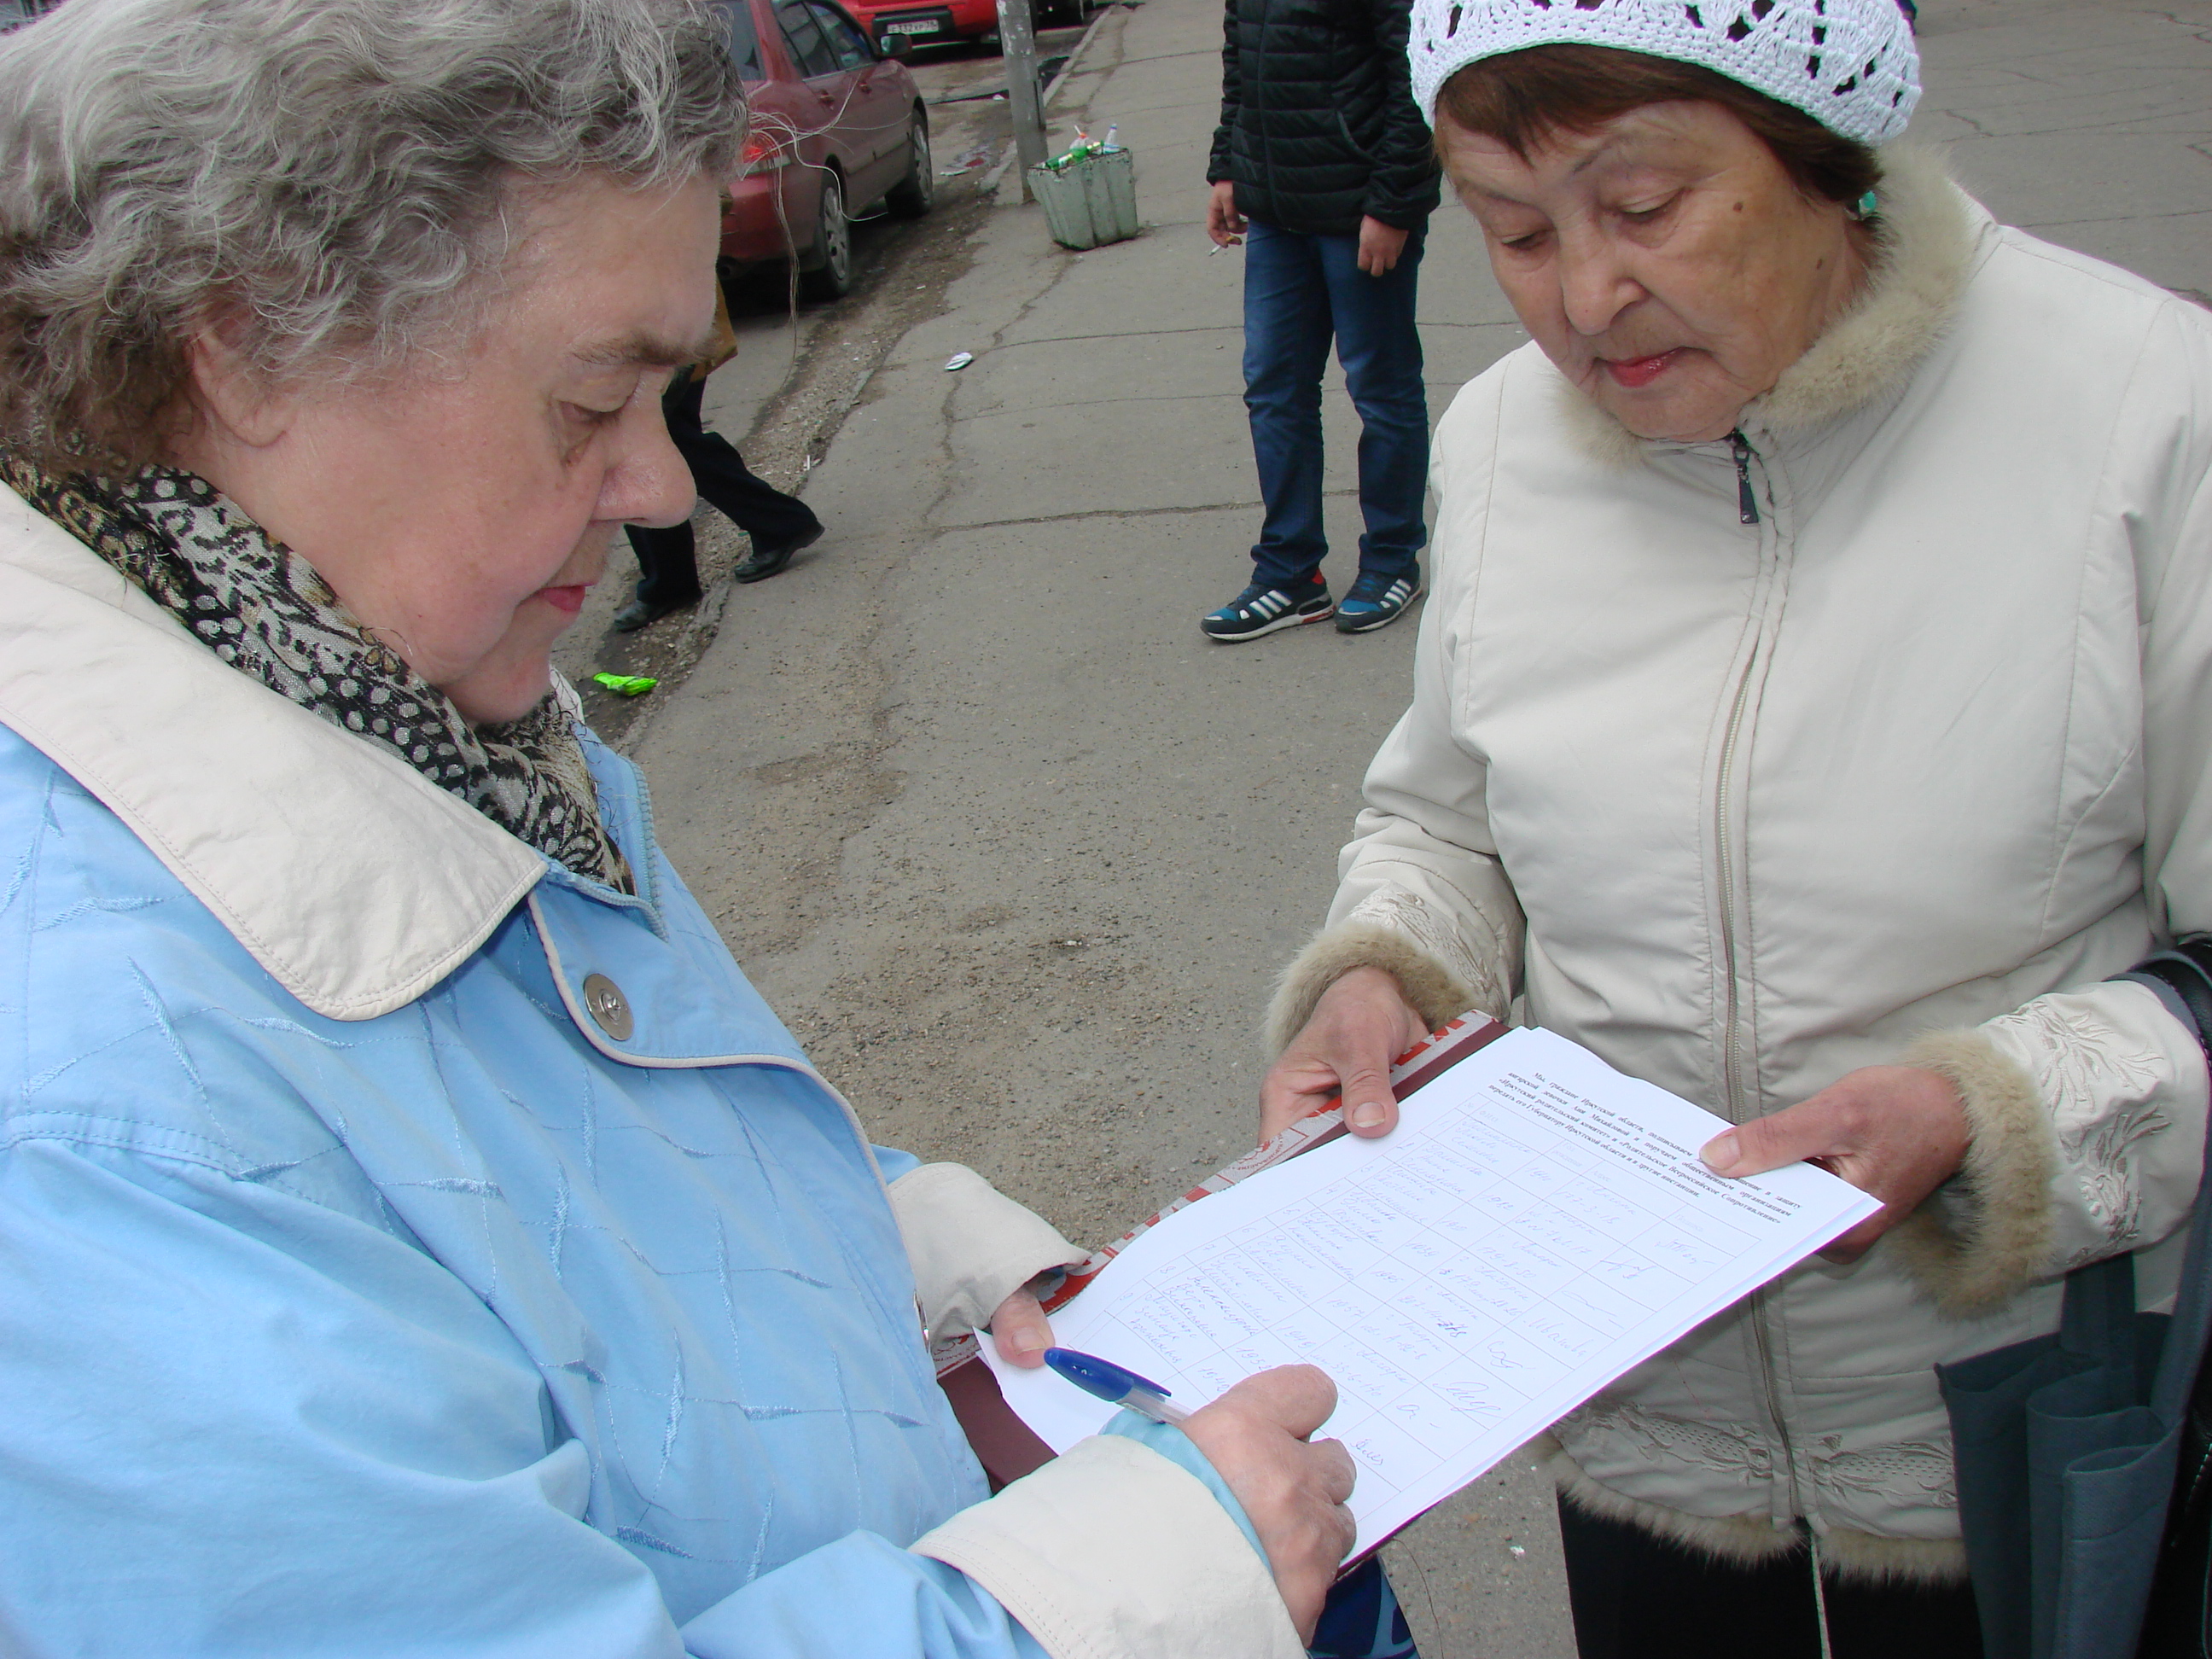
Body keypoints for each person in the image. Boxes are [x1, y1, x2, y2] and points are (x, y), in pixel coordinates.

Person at [0, 0, 1361, 1651]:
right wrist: (1114, 1599)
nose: (658, 485)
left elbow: (585, 1172)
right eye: (592, 401)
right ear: (245, 346)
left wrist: (908, 1263)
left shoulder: (398, 685)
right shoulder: (92, 1115)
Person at [1259, 0, 2212, 1652]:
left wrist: (1990, 1115)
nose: (1583, 298)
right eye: (1514, 231)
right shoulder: (1500, 446)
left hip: (2011, 1435)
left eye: (1642, 207)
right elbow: (1446, 820)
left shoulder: (2143, 413)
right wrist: (1384, 970)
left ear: (1822, 154)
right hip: (1644, 1427)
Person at [1201, 0, 1441, 642]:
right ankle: (1291, 573)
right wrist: (1229, 165)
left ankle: (1392, 560)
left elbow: (1417, 73)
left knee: (1381, 390)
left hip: (1360, 207)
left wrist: (1394, 203)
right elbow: (1242, 63)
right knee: (1274, 389)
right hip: (1276, 209)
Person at [614, 286, 824, 632]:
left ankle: (778, 525)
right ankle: (674, 577)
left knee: (641, 450)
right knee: (661, 445)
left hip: (654, 333)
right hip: (648, 332)